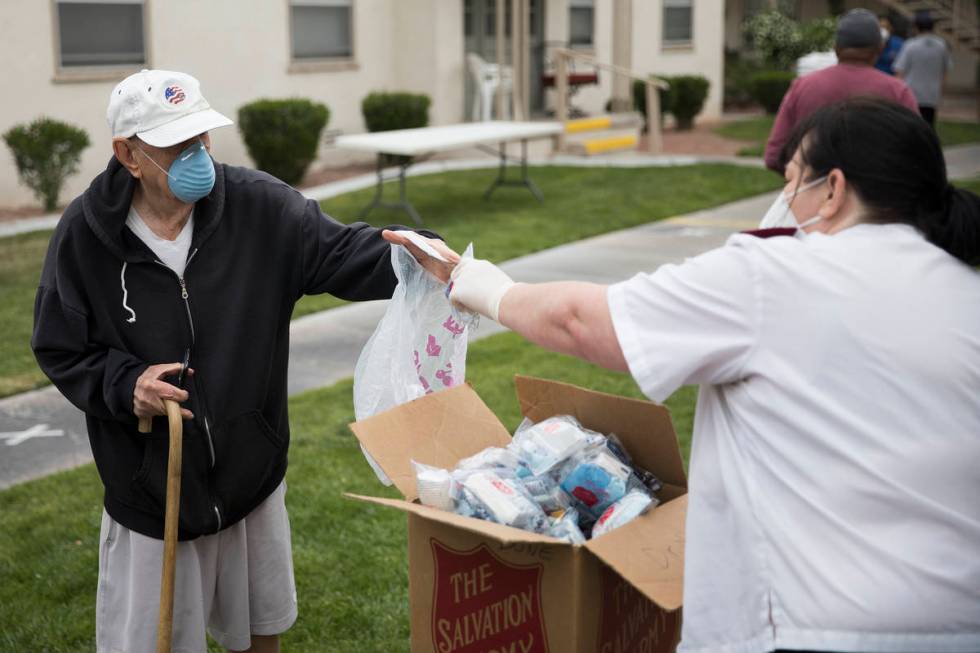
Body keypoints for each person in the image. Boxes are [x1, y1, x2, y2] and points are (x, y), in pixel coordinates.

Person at [429, 98, 980, 653]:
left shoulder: (774, 277)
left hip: (815, 623)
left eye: (791, 182)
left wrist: (486, 286)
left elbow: (581, 321)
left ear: (833, 189)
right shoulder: (965, 293)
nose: (785, 202)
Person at [31, 69, 454, 653]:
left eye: (201, 138)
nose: (196, 156)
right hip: (153, 490)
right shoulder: (85, 234)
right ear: (127, 154)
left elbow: (338, 249)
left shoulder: (258, 206)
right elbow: (59, 345)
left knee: (260, 635)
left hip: (249, 475)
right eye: (175, 146)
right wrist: (127, 385)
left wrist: (415, 253)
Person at [763, 8, 917, 173]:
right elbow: (920, 157)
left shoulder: (802, 86)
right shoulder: (898, 92)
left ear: (836, 48)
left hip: (814, 194)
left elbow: (774, 157)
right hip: (880, 196)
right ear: (879, 49)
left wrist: (803, 181)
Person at [894, 10, 953, 127]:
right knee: (928, 128)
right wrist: (941, 92)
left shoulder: (910, 45)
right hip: (932, 95)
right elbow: (945, 72)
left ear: (916, 27)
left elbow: (899, 72)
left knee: (911, 129)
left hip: (911, 94)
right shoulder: (941, 46)